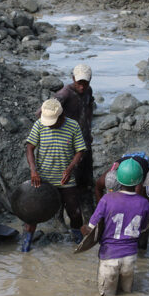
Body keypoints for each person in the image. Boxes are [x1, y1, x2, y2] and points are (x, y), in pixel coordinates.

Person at [22, 98, 87, 252]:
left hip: (66, 179)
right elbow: (30, 148)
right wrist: (33, 170)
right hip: (43, 178)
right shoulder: (39, 125)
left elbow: (80, 150)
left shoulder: (73, 125)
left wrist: (70, 168)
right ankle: (26, 243)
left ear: (61, 116)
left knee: (75, 212)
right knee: (33, 212)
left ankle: (78, 240)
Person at [82, 159, 149, 296]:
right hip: (130, 257)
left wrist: (83, 230)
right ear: (139, 182)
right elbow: (143, 227)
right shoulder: (144, 203)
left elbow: (91, 229)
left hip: (109, 257)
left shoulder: (107, 199)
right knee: (127, 295)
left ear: (118, 179)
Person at [55, 64, 95, 216]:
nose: (82, 87)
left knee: (85, 179)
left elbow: (89, 106)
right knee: (66, 181)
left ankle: (87, 211)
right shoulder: (64, 94)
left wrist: (88, 129)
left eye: (85, 83)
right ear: (73, 79)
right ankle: (59, 216)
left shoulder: (88, 91)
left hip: (84, 143)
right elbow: (42, 113)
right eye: (79, 83)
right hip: (69, 146)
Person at [95, 151, 149, 250]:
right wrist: (101, 210)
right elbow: (97, 189)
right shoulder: (105, 179)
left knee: (145, 206)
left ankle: (142, 241)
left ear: (122, 185)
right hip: (125, 165)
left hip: (143, 168)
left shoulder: (136, 186)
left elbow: (137, 206)